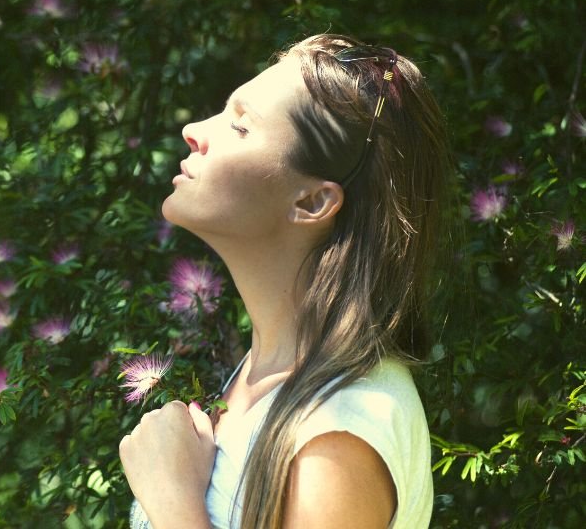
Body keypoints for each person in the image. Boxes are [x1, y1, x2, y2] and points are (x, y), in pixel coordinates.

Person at [119, 33, 448, 528]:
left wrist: (172, 501)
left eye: (241, 126)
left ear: (312, 203)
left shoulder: (339, 429)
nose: (193, 129)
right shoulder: (264, 379)